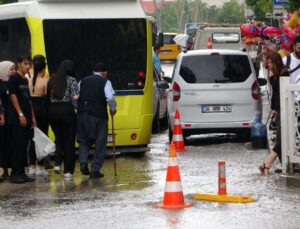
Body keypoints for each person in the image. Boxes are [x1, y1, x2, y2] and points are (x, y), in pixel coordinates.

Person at [77, 63, 116, 178]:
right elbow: (110, 98)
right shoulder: (105, 82)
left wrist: (78, 107)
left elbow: (75, 96)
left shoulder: (82, 81)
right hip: (99, 115)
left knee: (83, 141)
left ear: (94, 71)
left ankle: (83, 163)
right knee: (100, 142)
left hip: (82, 115)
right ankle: (95, 170)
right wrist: (113, 109)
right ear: (104, 73)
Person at [47, 59, 79, 179]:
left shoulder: (52, 79)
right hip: (66, 110)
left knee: (58, 138)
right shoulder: (71, 80)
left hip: (52, 111)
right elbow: (75, 96)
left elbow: (48, 94)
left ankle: (57, 164)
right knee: (69, 141)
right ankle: (68, 171)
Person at [259, 52, 289, 175]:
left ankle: (267, 163)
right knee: (280, 139)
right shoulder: (274, 76)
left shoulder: (284, 73)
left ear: (276, 62)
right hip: (277, 111)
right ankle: (284, 166)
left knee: (281, 139)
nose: (269, 65)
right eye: (268, 63)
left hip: (285, 110)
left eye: (271, 63)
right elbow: (275, 95)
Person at [8, 55, 36, 183]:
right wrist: (20, 114)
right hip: (17, 118)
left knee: (25, 144)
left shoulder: (25, 80)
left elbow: (28, 99)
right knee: (17, 145)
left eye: (29, 64)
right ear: (19, 64)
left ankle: (22, 171)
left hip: (27, 116)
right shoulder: (13, 78)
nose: (28, 66)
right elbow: (13, 96)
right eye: (25, 64)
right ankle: (15, 173)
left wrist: (33, 117)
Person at [27, 54, 50, 177]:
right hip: (41, 110)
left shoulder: (28, 80)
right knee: (41, 138)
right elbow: (47, 97)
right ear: (43, 68)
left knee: (31, 139)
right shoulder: (46, 80)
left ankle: (31, 166)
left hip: (30, 109)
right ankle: (40, 166)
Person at [0, 61, 16, 180]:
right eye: (11, 69)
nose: (14, 71)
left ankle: (6, 169)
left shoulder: (11, 83)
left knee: (8, 143)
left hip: (10, 117)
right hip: (2, 118)